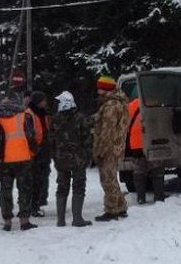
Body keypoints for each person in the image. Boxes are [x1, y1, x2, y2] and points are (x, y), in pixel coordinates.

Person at [0, 98, 38, 231]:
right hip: (23, 158)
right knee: (24, 189)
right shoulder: (24, 116)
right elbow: (31, 135)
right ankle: (24, 221)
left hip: (4, 161)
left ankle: (7, 221)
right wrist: (34, 152)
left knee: (5, 191)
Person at [51, 91, 93, 227]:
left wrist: (54, 155)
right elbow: (87, 139)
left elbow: (51, 139)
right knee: (79, 186)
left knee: (62, 187)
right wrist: (88, 155)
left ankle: (61, 220)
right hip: (78, 159)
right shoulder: (80, 118)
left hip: (60, 159)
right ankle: (77, 218)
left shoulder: (55, 119)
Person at [92, 75, 130, 222]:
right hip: (116, 147)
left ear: (105, 89)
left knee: (107, 180)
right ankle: (120, 207)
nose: (97, 91)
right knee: (112, 178)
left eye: (99, 88)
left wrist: (99, 150)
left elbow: (106, 132)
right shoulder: (118, 103)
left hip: (109, 148)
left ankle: (112, 210)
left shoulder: (111, 106)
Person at [126, 90, 167, 204]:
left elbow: (125, 124)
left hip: (135, 142)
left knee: (139, 169)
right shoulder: (155, 103)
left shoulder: (131, 105)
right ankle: (159, 197)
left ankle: (140, 198)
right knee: (156, 168)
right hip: (151, 140)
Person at [26, 90, 51, 217]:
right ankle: (33, 206)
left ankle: (37, 204)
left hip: (44, 150)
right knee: (34, 180)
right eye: (43, 100)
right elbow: (29, 134)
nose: (45, 102)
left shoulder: (43, 113)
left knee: (41, 178)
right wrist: (35, 149)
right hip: (35, 152)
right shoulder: (29, 114)